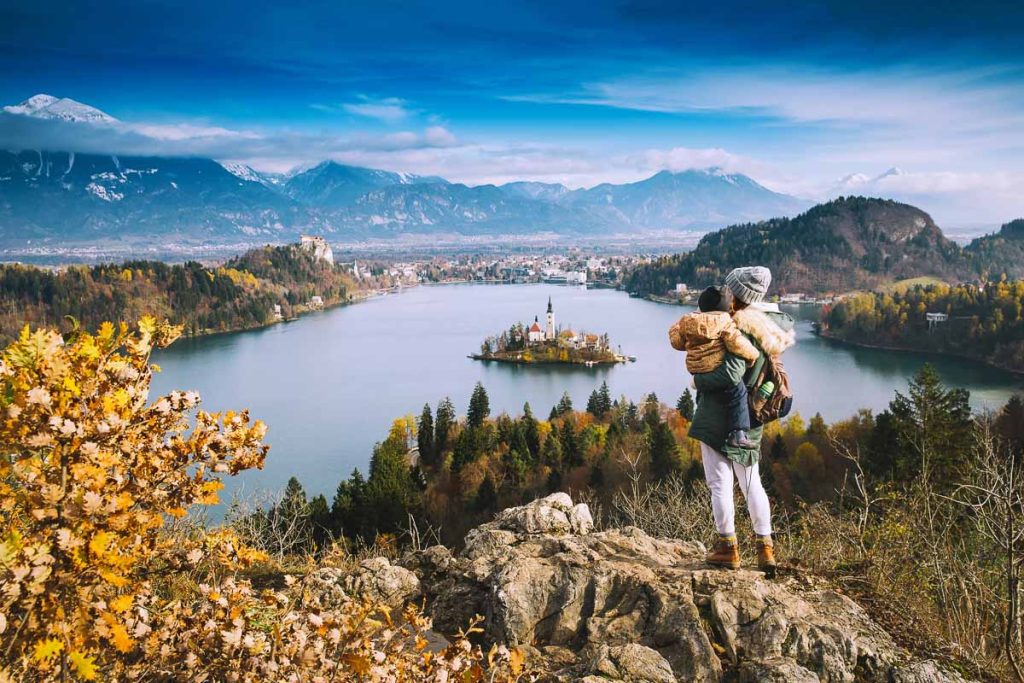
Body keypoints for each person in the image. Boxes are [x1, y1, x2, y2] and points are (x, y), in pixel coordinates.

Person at [686, 266, 795, 575]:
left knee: (719, 484)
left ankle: (728, 548)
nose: (727, 292)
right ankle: (765, 549)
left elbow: (731, 373)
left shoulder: (740, 328)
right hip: (751, 417)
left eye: (730, 289)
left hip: (720, 415)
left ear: (739, 294)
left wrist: (699, 380)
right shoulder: (772, 326)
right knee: (751, 483)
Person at [668, 286, 760, 448]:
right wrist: (754, 354)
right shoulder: (724, 322)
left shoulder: (687, 322)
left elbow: (677, 343)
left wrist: (675, 328)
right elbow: (736, 344)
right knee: (739, 393)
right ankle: (738, 433)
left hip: (696, 368)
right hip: (715, 367)